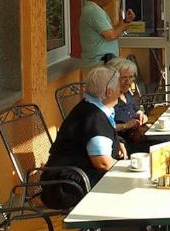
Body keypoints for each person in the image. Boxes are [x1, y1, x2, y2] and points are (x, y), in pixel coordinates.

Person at [41, 65, 125, 209]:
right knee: (125, 187)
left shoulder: (93, 107)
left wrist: (118, 142)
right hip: (66, 187)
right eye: (119, 87)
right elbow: (103, 163)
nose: (121, 90)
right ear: (109, 92)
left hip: (70, 178)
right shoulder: (93, 116)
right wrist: (128, 170)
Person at [79, 0, 135, 66]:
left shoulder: (97, 9)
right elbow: (111, 35)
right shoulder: (93, 11)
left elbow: (111, 31)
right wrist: (124, 24)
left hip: (103, 62)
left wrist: (125, 21)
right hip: (99, 63)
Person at [107, 57, 149, 151]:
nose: (128, 82)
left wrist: (140, 114)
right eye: (124, 78)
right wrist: (125, 126)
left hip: (138, 136)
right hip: (122, 144)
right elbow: (104, 128)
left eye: (131, 77)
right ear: (113, 79)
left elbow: (136, 109)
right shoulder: (108, 99)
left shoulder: (126, 93)